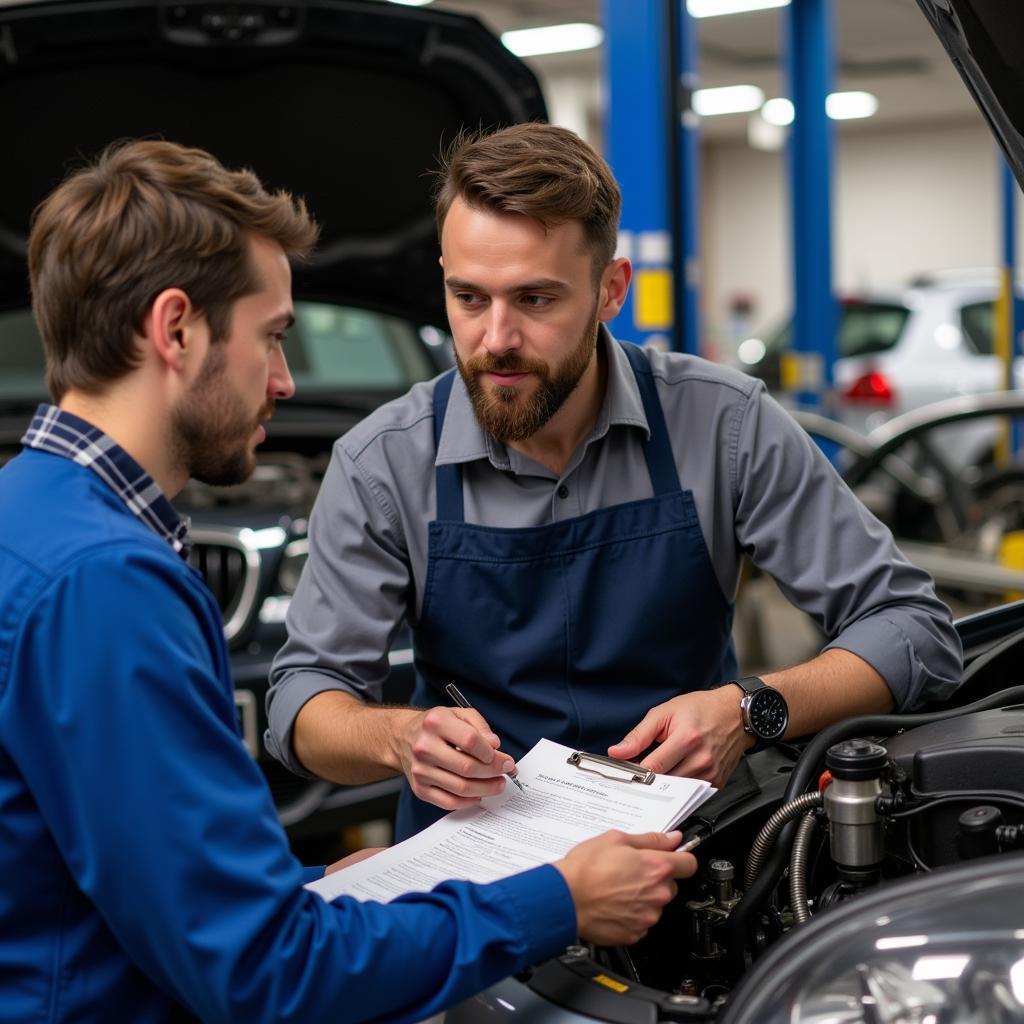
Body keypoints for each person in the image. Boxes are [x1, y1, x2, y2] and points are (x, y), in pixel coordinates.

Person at [0, 139, 698, 1024]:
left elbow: (142, 889)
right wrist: (558, 901)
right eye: (273, 337)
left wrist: (320, 887)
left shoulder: (27, 517)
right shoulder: (103, 585)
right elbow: (263, 975)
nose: (286, 382)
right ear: (176, 328)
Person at [266, 122, 964, 842]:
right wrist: (400, 739)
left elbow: (915, 629)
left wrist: (750, 708)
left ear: (610, 289)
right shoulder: (382, 462)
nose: (497, 338)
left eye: (536, 300)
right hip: (475, 882)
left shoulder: (724, 424)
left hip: (692, 847)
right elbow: (301, 703)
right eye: (469, 298)